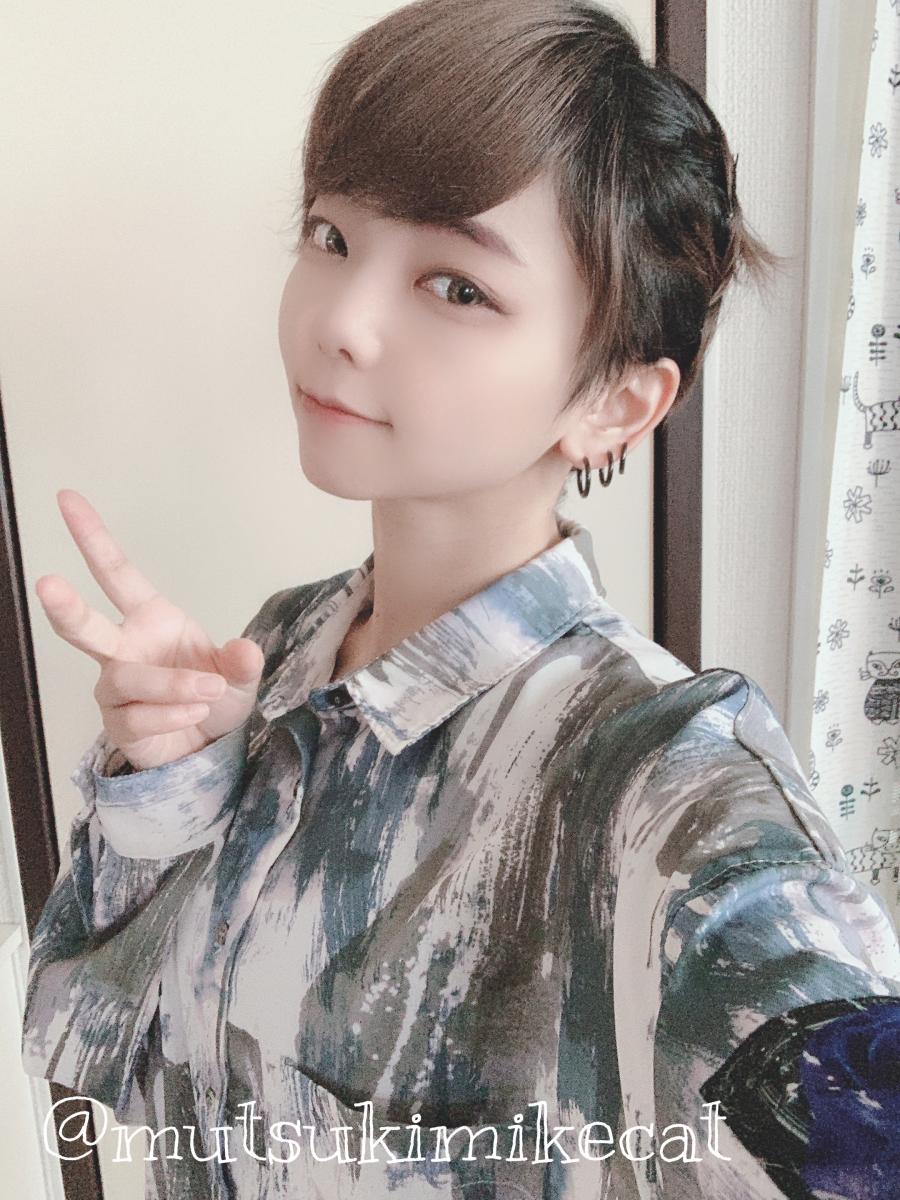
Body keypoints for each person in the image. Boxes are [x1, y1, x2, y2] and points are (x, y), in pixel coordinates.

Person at [20, 1, 900, 1197]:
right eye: (331, 234)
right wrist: (168, 789)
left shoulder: (656, 782)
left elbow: (842, 1096)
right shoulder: (281, 647)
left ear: (614, 402)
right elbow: (99, 1054)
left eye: (455, 285)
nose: (341, 322)